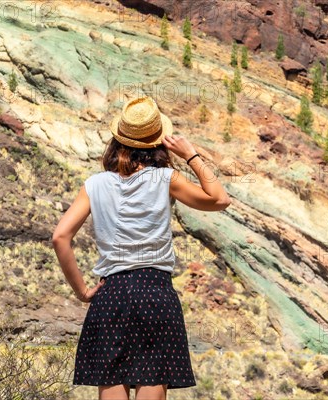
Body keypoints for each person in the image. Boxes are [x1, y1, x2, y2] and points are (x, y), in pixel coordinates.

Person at [52, 96, 231, 400]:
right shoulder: (165, 179)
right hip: (154, 294)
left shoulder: (94, 185)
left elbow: (60, 237)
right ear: (156, 142)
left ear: (117, 141)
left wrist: (82, 291)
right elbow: (220, 199)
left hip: (111, 296)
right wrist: (191, 155)